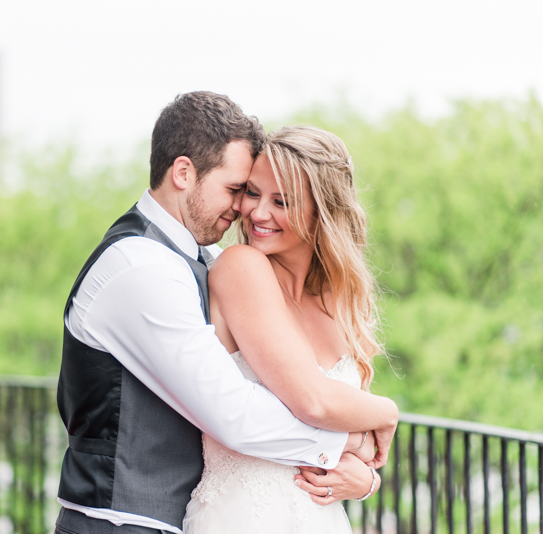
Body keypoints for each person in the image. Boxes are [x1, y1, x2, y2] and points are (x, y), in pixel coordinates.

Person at [55, 92, 398, 534]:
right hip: (123, 522)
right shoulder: (144, 264)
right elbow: (234, 415)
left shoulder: (203, 257)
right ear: (184, 172)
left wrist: (364, 477)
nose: (247, 210)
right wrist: (362, 430)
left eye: (280, 200)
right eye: (240, 190)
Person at [182, 125, 384, 533]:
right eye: (252, 193)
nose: (257, 213)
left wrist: (367, 481)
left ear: (322, 210)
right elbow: (313, 402)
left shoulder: (337, 302)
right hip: (242, 517)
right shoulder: (241, 266)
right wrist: (389, 414)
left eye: (282, 201)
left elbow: (355, 448)